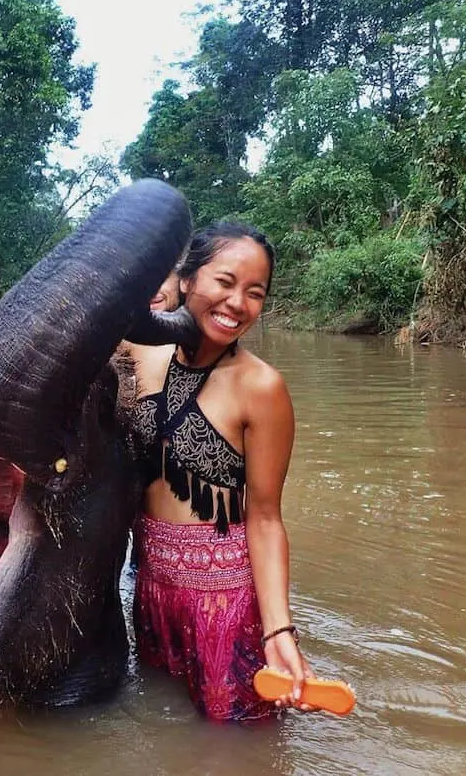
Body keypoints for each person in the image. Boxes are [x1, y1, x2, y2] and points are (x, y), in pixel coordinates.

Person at [126, 220, 313, 722]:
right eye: (225, 282)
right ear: (186, 279)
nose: (237, 304)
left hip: (224, 603)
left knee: (238, 742)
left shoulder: (261, 387)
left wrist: (279, 631)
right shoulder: (142, 352)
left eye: (255, 293)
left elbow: (267, 518)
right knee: (158, 729)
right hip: (150, 591)